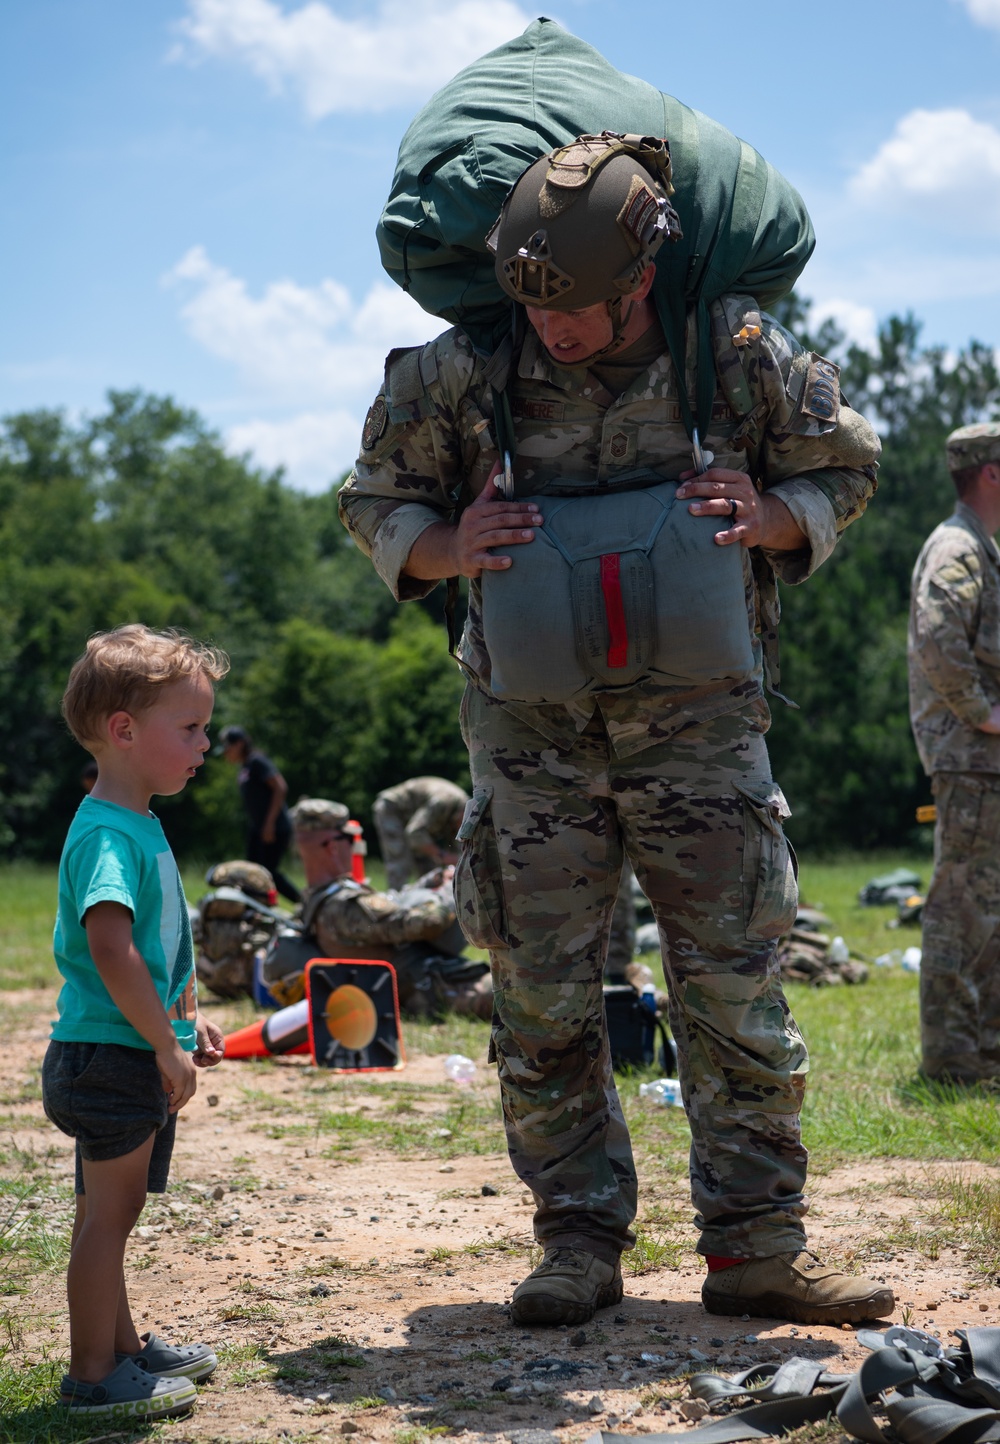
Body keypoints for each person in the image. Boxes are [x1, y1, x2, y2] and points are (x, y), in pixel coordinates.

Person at [339, 132, 892, 1329]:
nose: (555, 330)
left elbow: (844, 469)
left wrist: (773, 513)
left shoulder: (730, 356)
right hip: (530, 743)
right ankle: (576, 1242)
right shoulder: (466, 370)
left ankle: (755, 1250)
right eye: (535, 307)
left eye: (578, 309)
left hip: (699, 736)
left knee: (734, 993)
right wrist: (447, 546)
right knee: (540, 1001)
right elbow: (373, 495)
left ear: (639, 279)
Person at [41, 625, 227, 1420]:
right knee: (107, 1219)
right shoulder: (112, 833)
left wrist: (185, 1026)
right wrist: (160, 1042)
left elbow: (152, 952)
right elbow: (110, 948)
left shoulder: (133, 821)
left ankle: (121, 1349)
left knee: (109, 1213)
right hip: (113, 1057)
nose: (206, 743)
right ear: (124, 731)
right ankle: (92, 1375)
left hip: (125, 1049)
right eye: (188, 728)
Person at [908, 423, 1000, 1084]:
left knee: (984, 910)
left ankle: (984, 1055)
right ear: (990, 473)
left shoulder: (979, 548)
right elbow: (938, 634)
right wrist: (984, 713)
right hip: (970, 759)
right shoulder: (956, 549)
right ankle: (954, 1062)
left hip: (981, 763)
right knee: (961, 910)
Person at [271, 797, 492, 1019]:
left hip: (430, 984)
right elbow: (428, 922)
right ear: (333, 846)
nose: (356, 847)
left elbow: (390, 905)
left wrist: (429, 882)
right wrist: (450, 887)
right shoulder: (344, 906)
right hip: (441, 989)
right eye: (352, 839)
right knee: (519, 993)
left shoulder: (314, 902)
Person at [217, 724, 300, 903]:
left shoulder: (257, 762)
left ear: (239, 744)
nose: (226, 752)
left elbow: (280, 787)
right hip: (258, 828)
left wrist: (269, 824)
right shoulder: (245, 766)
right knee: (251, 875)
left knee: (267, 873)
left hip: (274, 827)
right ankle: (258, 909)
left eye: (227, 747)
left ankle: (302, 902)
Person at [372, 775, 469, 888]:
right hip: (392, 809)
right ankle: (397, 900)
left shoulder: (461, 813)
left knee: (429, 865)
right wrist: (443, 855)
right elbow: (414, 833)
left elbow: (455, 851)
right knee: (400, 860)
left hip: (412, 819)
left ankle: (427, 900)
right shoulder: (444, 801)